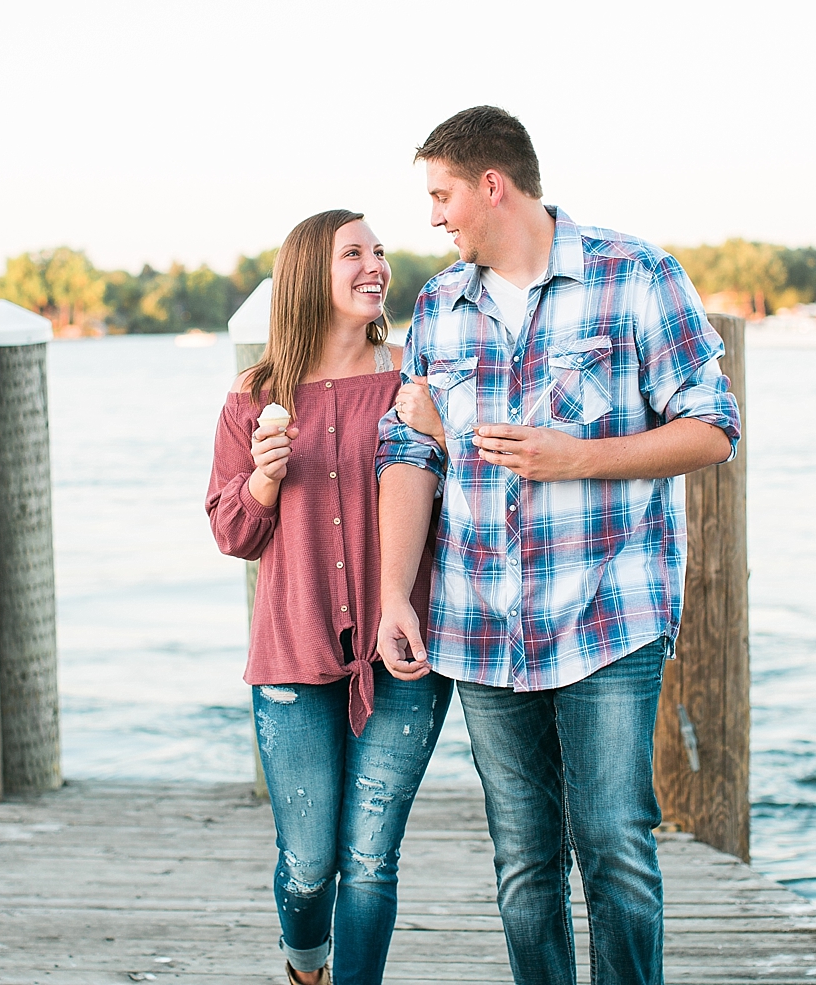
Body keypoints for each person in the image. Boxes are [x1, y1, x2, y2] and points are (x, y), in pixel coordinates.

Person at [376, 107, 742, 985]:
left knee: (615, 843)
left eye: (442, 195)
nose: (433, 218)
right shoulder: (437, 304)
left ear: (491, 185)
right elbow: (409, 451)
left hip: (608, 615)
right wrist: (394, 591)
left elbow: (714, 428)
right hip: (480, 624)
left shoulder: (637, 275)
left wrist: (577, 458)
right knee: (523, 863)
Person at [206, 209, 454, 985]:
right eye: (354, 252)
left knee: (372, 859)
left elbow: (472, 492)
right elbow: (231, 530)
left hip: (405, 654)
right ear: (312, 271)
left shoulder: (418, 380)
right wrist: (265, 477)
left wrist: (445, 431)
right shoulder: (255, 395)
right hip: (292, 654)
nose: (375, 264)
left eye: (380, 252)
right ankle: (305, 965)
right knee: (309, 865)